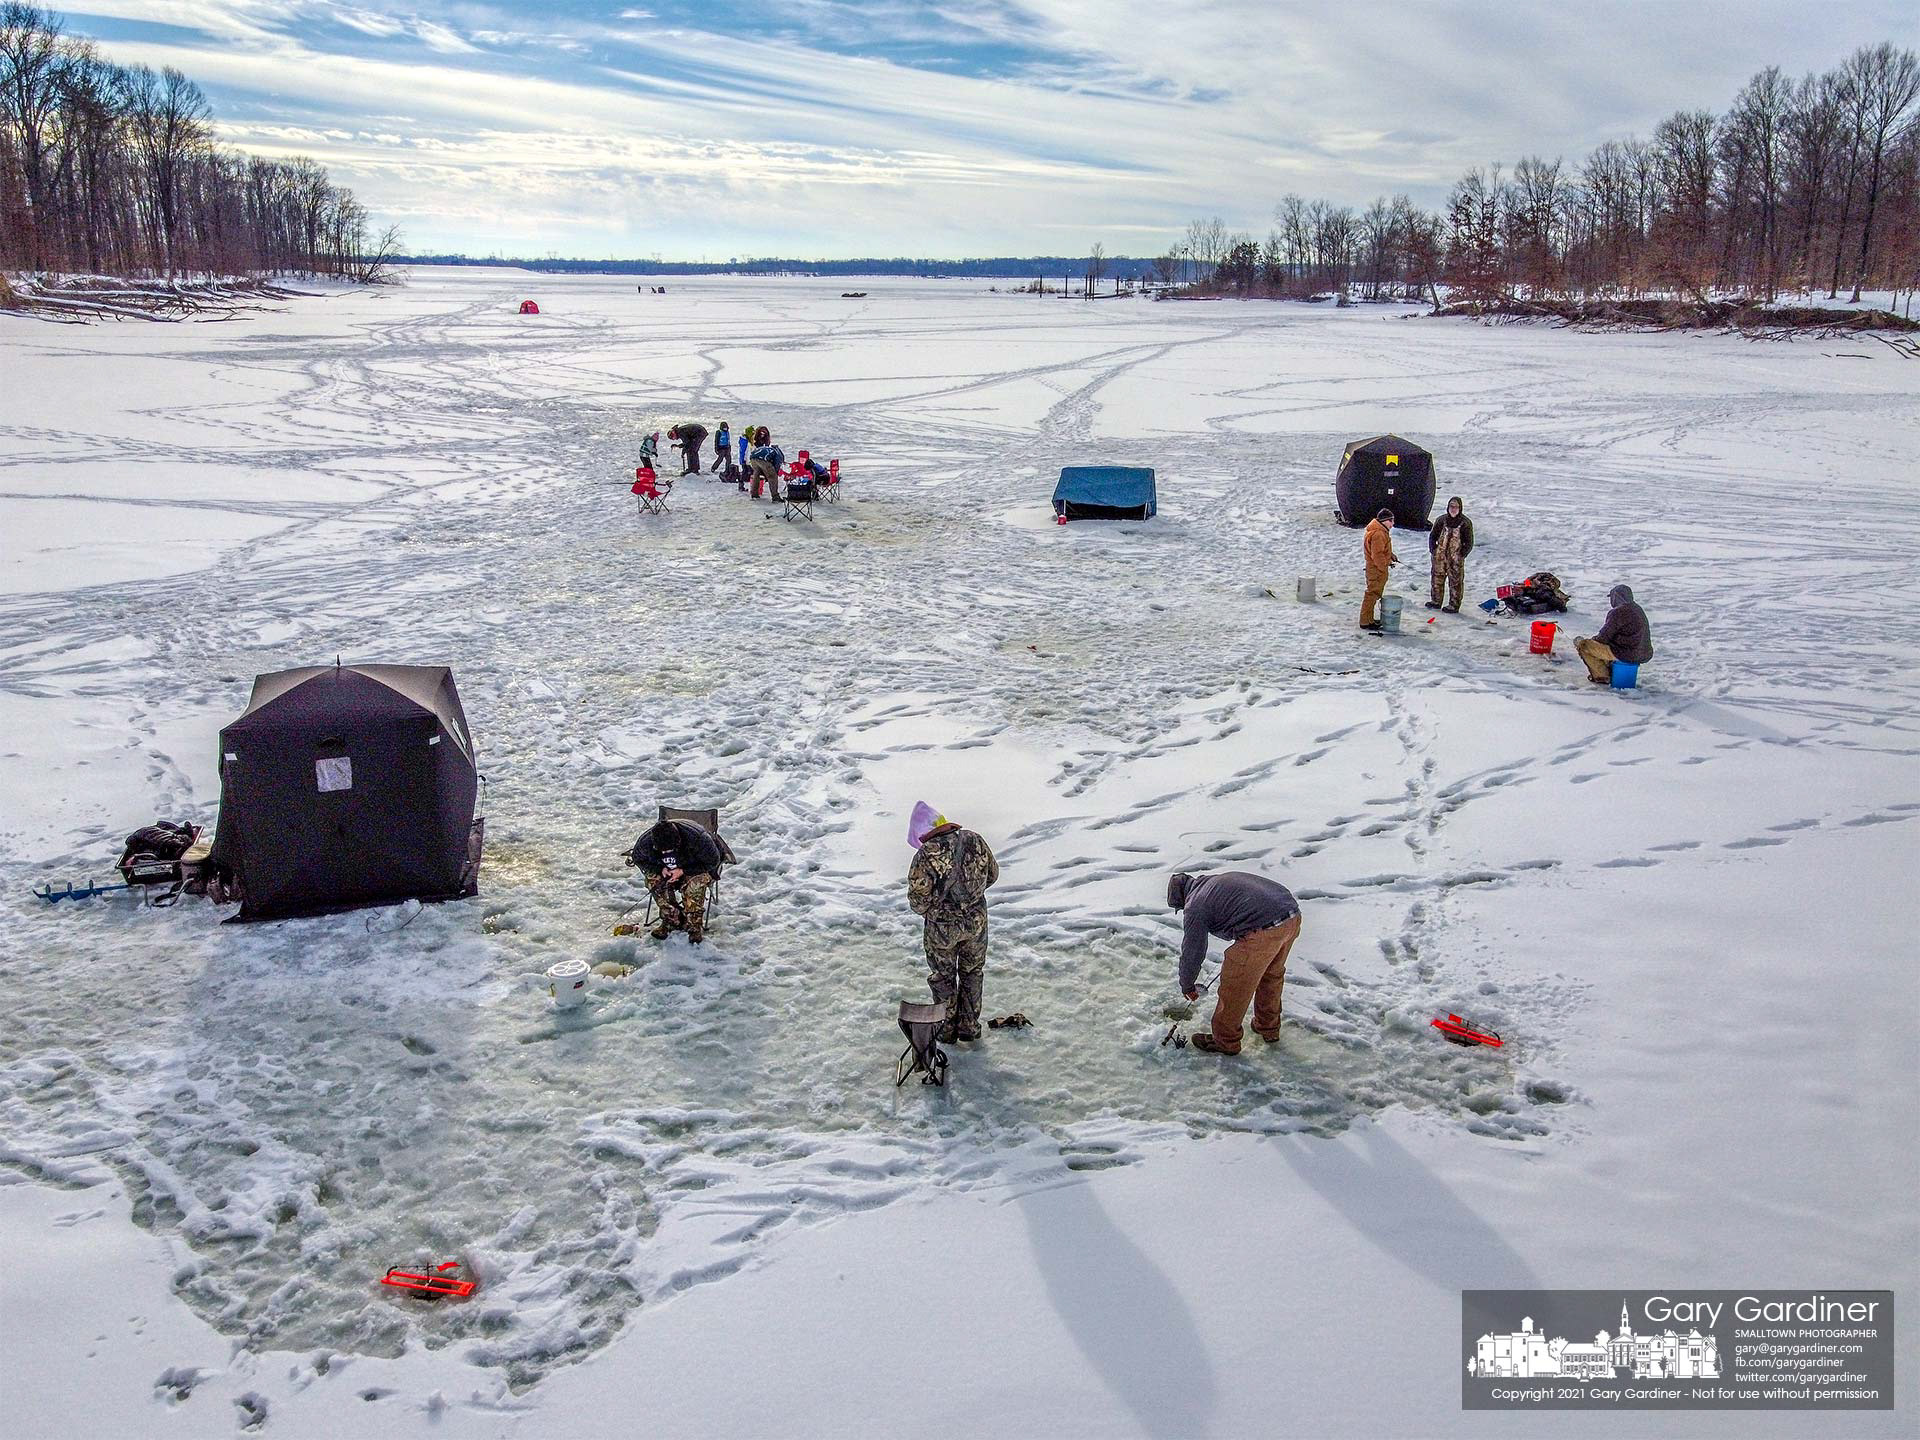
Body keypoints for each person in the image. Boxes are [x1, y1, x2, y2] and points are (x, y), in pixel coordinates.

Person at [1168, 870, 1302, 1055]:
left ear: (1182, 898)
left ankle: (1225, 1041)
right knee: (1270, 975)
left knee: (1235, 986)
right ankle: (1268, 1028)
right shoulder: (1211, 883)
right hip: (1291, 917)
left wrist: (1187, 984)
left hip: (1264, 928)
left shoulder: (1194, 905)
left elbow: (1193, 951)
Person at [907, 810, 999, 1042]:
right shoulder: (974, 839)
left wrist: (937, 910)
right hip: (976, 923)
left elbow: (918, 900)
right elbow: (993, 875)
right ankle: (969, 1026)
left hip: (942, 928)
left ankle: (946, 1030)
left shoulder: (926, 854)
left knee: (943, 976)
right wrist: (971, 898)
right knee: (972, 972)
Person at [625, 816, 724, 943]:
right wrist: (660, 869)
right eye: (663, 850)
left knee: (695, 885)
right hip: (666, 871)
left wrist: (683, 871)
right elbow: (639, 859)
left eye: (670, 849)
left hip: (694, 869)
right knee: (652, 879)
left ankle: (694, 926)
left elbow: (713, 861)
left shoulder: (698, 839)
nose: (667, 852)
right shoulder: (646, 842)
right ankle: (671, 919)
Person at [1575, 584, 1653, 684]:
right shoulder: (1637, 609)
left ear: (1616, 597)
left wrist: (1589, 641)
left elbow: (1603, 637)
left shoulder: (1618, 612)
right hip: (1643, 653)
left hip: (1626, 653)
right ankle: (1613, 671)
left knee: (1584, 645)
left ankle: (1602, 676)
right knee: (1608, 648)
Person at [1426, 496, 1474, 613]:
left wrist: (1462, 554)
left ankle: (1454, 605)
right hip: (1439, 556)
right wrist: (1433, 550)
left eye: (1456, 507)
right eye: (1451, 506)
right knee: (1437, 579)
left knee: (1456, 582)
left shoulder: (1465, 523)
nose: (1453, 509)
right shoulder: (1441, 520)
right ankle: (1436, 601)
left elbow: (1469, 542)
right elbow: (1433, 536)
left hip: (1455, 558)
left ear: (1460, 508)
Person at [1360, 507, 1398, 631]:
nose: (1393, 524)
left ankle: (1369, 619)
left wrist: (1390, 555)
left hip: (1374, 568)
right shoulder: (1379, 534)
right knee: (1372, 595)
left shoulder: (1379, 531)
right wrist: (1384, 566)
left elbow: (1381, 550)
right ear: (1385, 521)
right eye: (1391, 521)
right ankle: (1365, 621)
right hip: (1376, 570)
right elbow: (1377, 555)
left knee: (1373, 594)